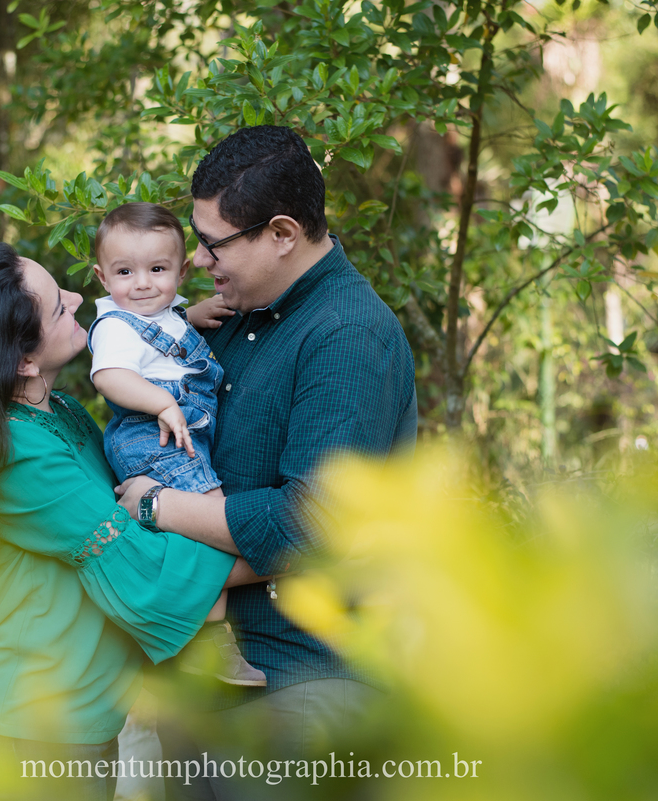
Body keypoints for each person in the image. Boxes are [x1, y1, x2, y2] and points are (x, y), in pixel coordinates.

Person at [0, 243, 267, 801]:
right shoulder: (16, 453)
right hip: (24, 724)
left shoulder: (59, 413)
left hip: (70, 721)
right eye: (57, 305)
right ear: (22, 359)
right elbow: (143, 566)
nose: (75, 296)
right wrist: (291, 545)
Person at [114, 125, 418, 799]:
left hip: (300, 686)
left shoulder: (348, 335)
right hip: (212, 683)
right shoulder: (239, 318)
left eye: (213, 242)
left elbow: (305, 524)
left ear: (282, 233)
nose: (199, 259)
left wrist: (152, 507)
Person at [88, 201, 264, 687]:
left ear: (182, 272)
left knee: (192, 529)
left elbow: (171, 323)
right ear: (102, 278)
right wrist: (161, 404)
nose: (142, 283)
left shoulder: (164, 313)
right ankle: (210, 642)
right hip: (154, 436)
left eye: (157, 269)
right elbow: (111, 376)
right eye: (125, 271)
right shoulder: (115, 326)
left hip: (174, 435)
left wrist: (197, 312)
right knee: (215, 519)